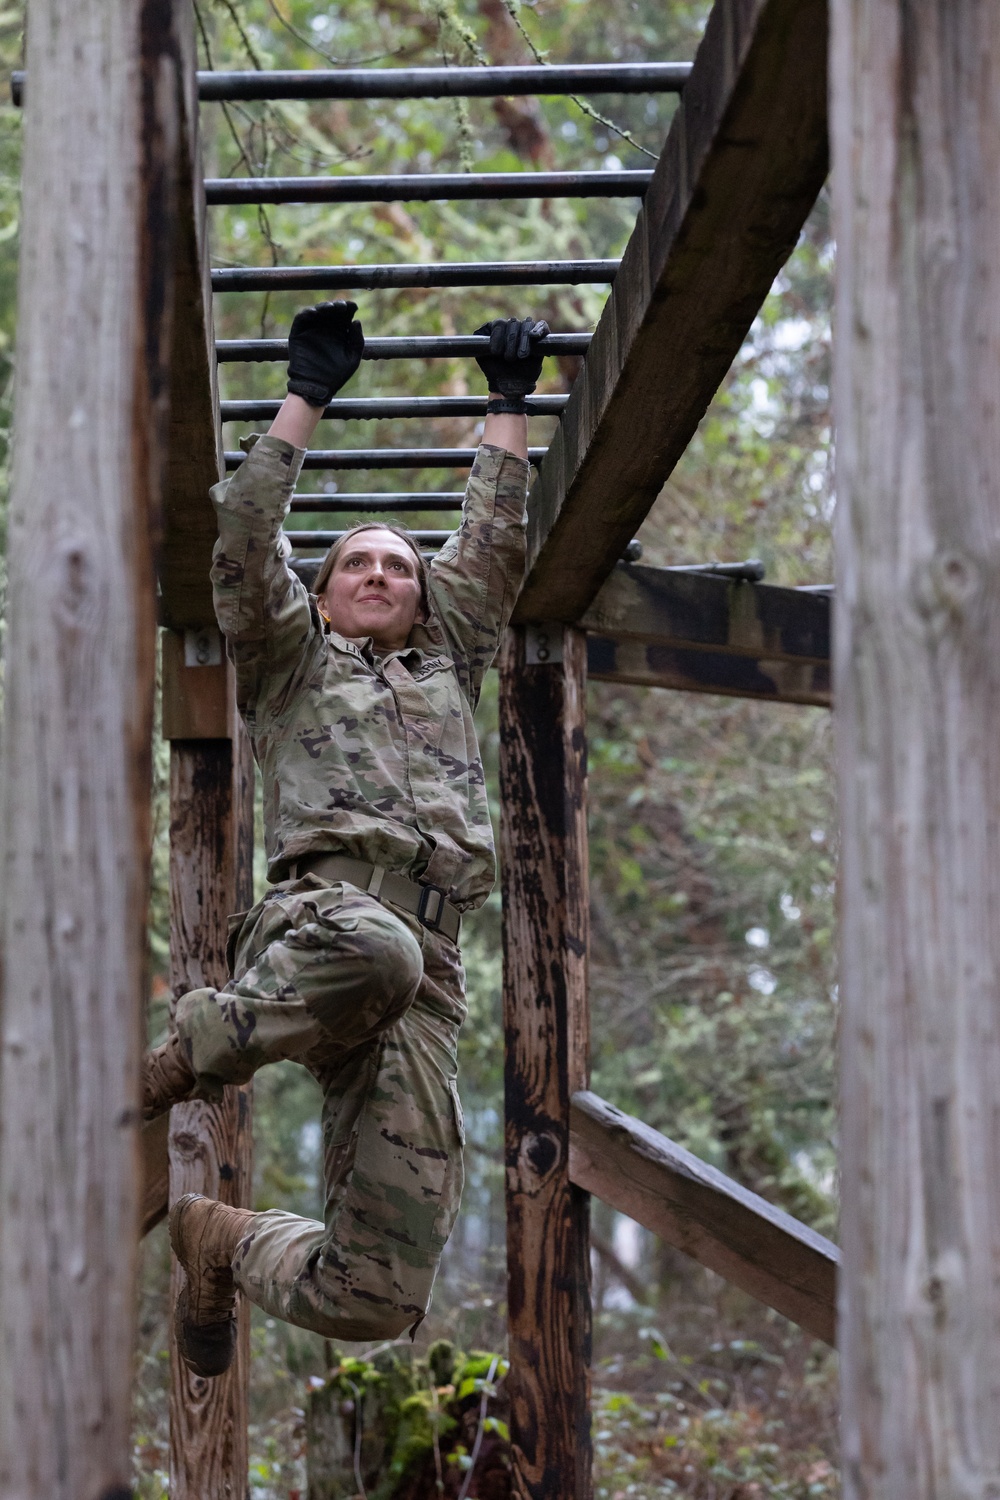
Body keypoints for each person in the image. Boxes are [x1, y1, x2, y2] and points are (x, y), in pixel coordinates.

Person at [142, 301, 549, 1378]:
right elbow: (241, 538)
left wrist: (508, 405)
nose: (380, 574)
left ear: (423, 603)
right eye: (357, 564)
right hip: (320, 930)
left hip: (428, 974)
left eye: (400, 568)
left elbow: (495, 546)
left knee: (374, 1298)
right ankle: (186, 1056)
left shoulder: (449, 660)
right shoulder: (290, 662)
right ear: (321, 596)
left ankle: (216, 1240)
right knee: (379, 948)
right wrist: (304, 399)